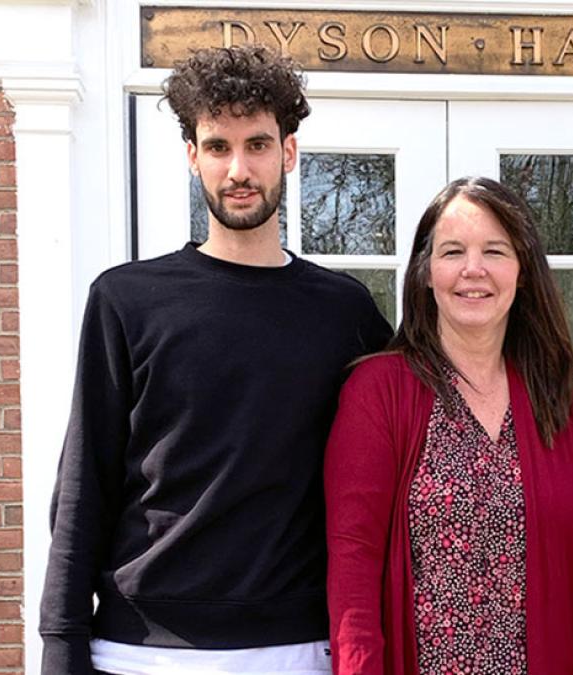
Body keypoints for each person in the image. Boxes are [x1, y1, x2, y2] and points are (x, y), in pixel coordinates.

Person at [39, 45, 392, 675]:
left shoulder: (346, 314)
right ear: (192, 157)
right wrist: (61, 643)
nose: (239, 168)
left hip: (299, 650)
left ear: (288, 152)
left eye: (257, 144)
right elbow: (82, 485)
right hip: (142, 652)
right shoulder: (126, 300)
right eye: (218, 146)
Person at [324, 176, 573, 675]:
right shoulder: (379, 391)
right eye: (453, 251)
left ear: (522, 272)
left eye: (495, 252)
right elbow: (354, 559)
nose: (473, 270)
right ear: (425, 271)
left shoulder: (566, 404)